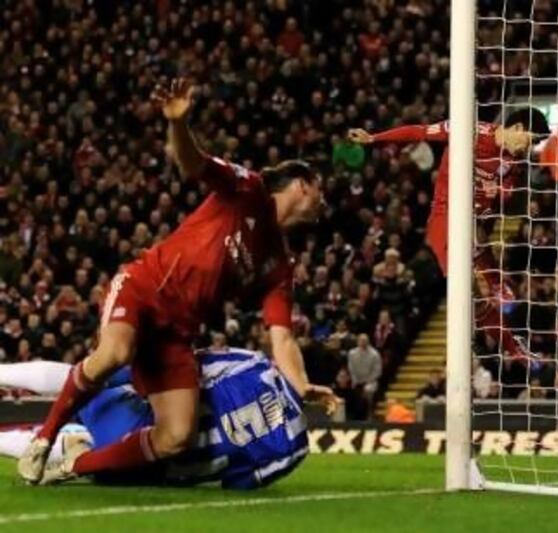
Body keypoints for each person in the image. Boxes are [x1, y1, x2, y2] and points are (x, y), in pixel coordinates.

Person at [18, 79, 336, 485]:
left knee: (177, 436)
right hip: (143, 288)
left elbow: (283, 338)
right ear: (302, 184)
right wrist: (179, 124)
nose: (324, 202)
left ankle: (71, 466)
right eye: (319, 192)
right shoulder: (248, 190)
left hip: (176, 333)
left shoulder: (278, 264)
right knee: (114, 352)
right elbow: (194, 164)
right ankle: (44, 439)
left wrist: (301, 384)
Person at [348, 110, 549, 360]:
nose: (528, 149)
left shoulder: (513, 164)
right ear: (518, 127)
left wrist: (511, 199)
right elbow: (419, 132)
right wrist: (374, 138)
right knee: (469, 288)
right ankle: (502, 319)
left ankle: (503, 322)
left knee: (473, 283)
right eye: (530, 140)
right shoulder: (469, 131)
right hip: (445, 217)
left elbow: (503, 198)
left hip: (474, 222)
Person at [0, 347, 331, 488]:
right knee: (88, 451)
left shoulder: (254, 365)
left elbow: (184, 366)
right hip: (149, 471)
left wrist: (107, 376)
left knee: (84, 377)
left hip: (139, 425)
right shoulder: (296, 446)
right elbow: (239, 484)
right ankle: (79, 449)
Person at [347, 334, 382, 416]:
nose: (363, 343)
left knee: (368, 390)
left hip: (370, 381)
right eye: (361, 341)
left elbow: (377, 371)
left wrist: (367, 381)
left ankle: (369, 413)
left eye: (365, 341)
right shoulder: (352, 353)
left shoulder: (374, 354)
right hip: (356, 380)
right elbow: (351, 369)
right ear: (358, 342)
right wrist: (355, 380)